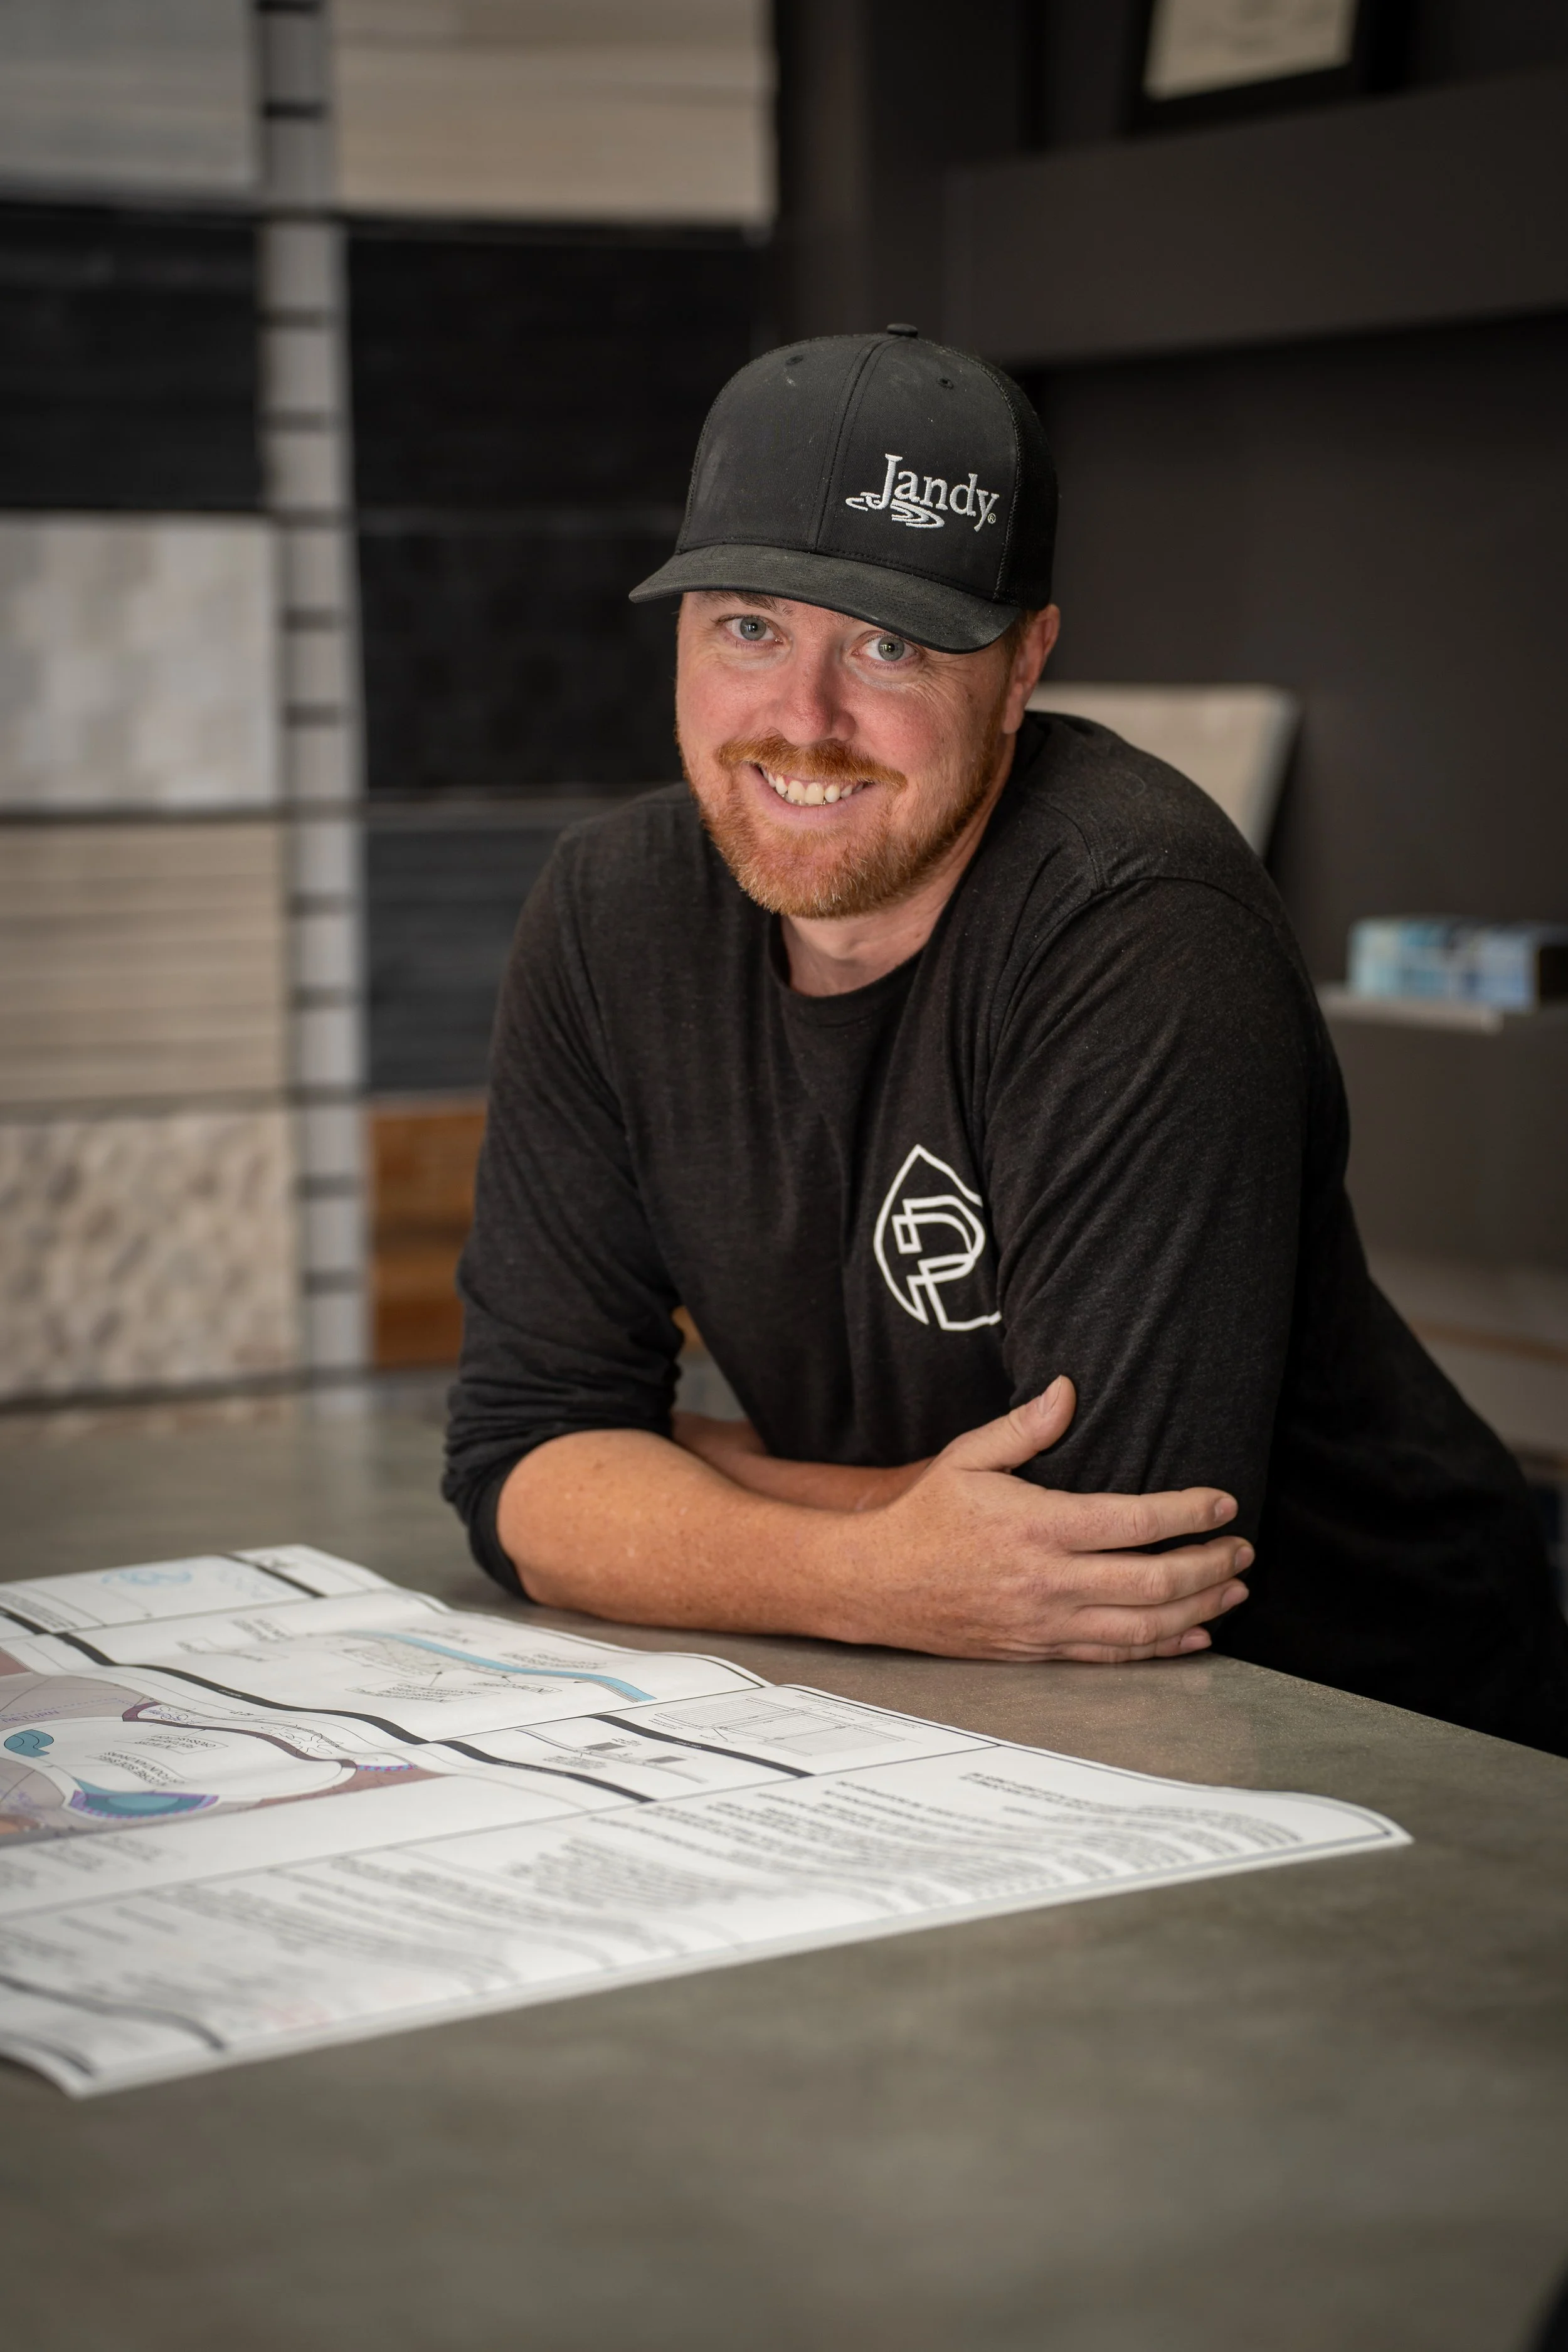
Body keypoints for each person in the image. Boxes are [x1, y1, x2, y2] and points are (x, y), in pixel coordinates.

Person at [444, 326, 1568, 1756]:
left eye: (889, 644)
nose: (803, 720)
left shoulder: (1139, 928)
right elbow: (519, 1466)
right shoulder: (610, 914)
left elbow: (1097, 1558)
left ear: (1025, 661)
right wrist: (871, 1562)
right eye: (749, 628)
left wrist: (677, 1471)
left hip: (1369, 1731)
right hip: (963, 1714)